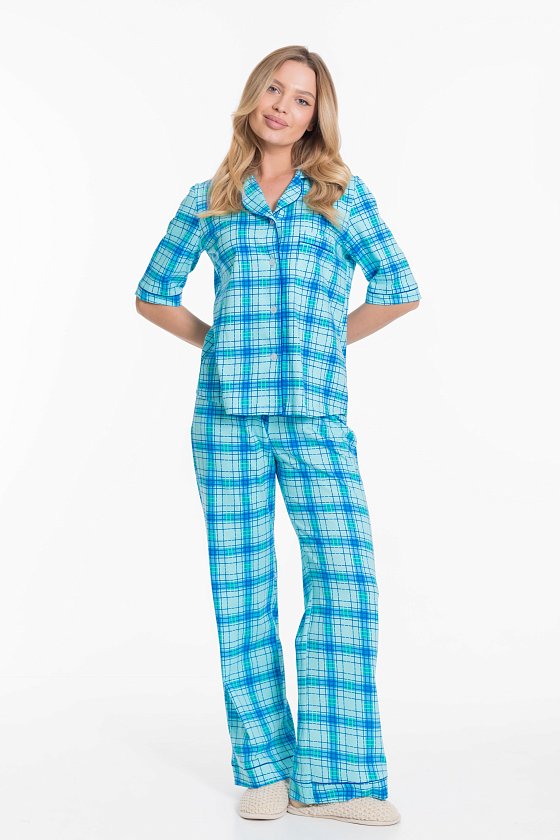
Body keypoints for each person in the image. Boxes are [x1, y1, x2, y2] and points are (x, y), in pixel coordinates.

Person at [135, 45, 421, 827]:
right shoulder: (210, 199)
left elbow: (399, 287)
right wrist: (220, 344)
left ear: (315, 117)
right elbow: (153, 294)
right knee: (242, 589)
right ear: (252, 97)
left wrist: (325, 343)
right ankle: (263, 767)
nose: (283, 106)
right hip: (226, 418)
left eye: (301, 98)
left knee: (345, 580)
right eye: (274, 89)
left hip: (316, 416)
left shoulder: (339, 194)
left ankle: (334, 780)